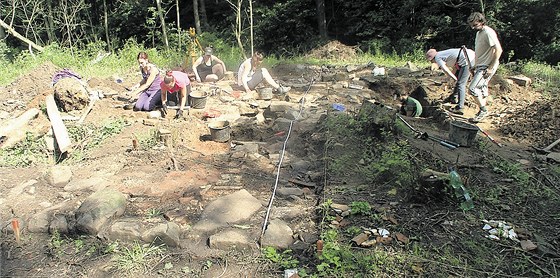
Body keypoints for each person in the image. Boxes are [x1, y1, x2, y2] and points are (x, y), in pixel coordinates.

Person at [467, 12, 503, 122]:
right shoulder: (479, 33)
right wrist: (475, 65)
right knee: (482, 89)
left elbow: (499, 50)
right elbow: (480, 51)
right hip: (480, 65)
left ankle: (483, 110)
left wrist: (490, 67)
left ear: (482, 22)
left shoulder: (488, 32)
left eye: (475, 25)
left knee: (472, 89)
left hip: (486, 66)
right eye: (472, 25)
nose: (473, 28)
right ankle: (481, 112)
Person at [426, 47, 475, 115]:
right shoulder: (442, 54)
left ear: (432, 58)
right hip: (468, 56)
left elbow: (446, 70)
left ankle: (460, 108)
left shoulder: (438, 58)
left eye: (431, 60)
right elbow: (454, 68)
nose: (431, 62)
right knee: (459, 82)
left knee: (461, 84)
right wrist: (451, 78)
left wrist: (453, 78)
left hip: (467, 60)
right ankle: (454, 97)